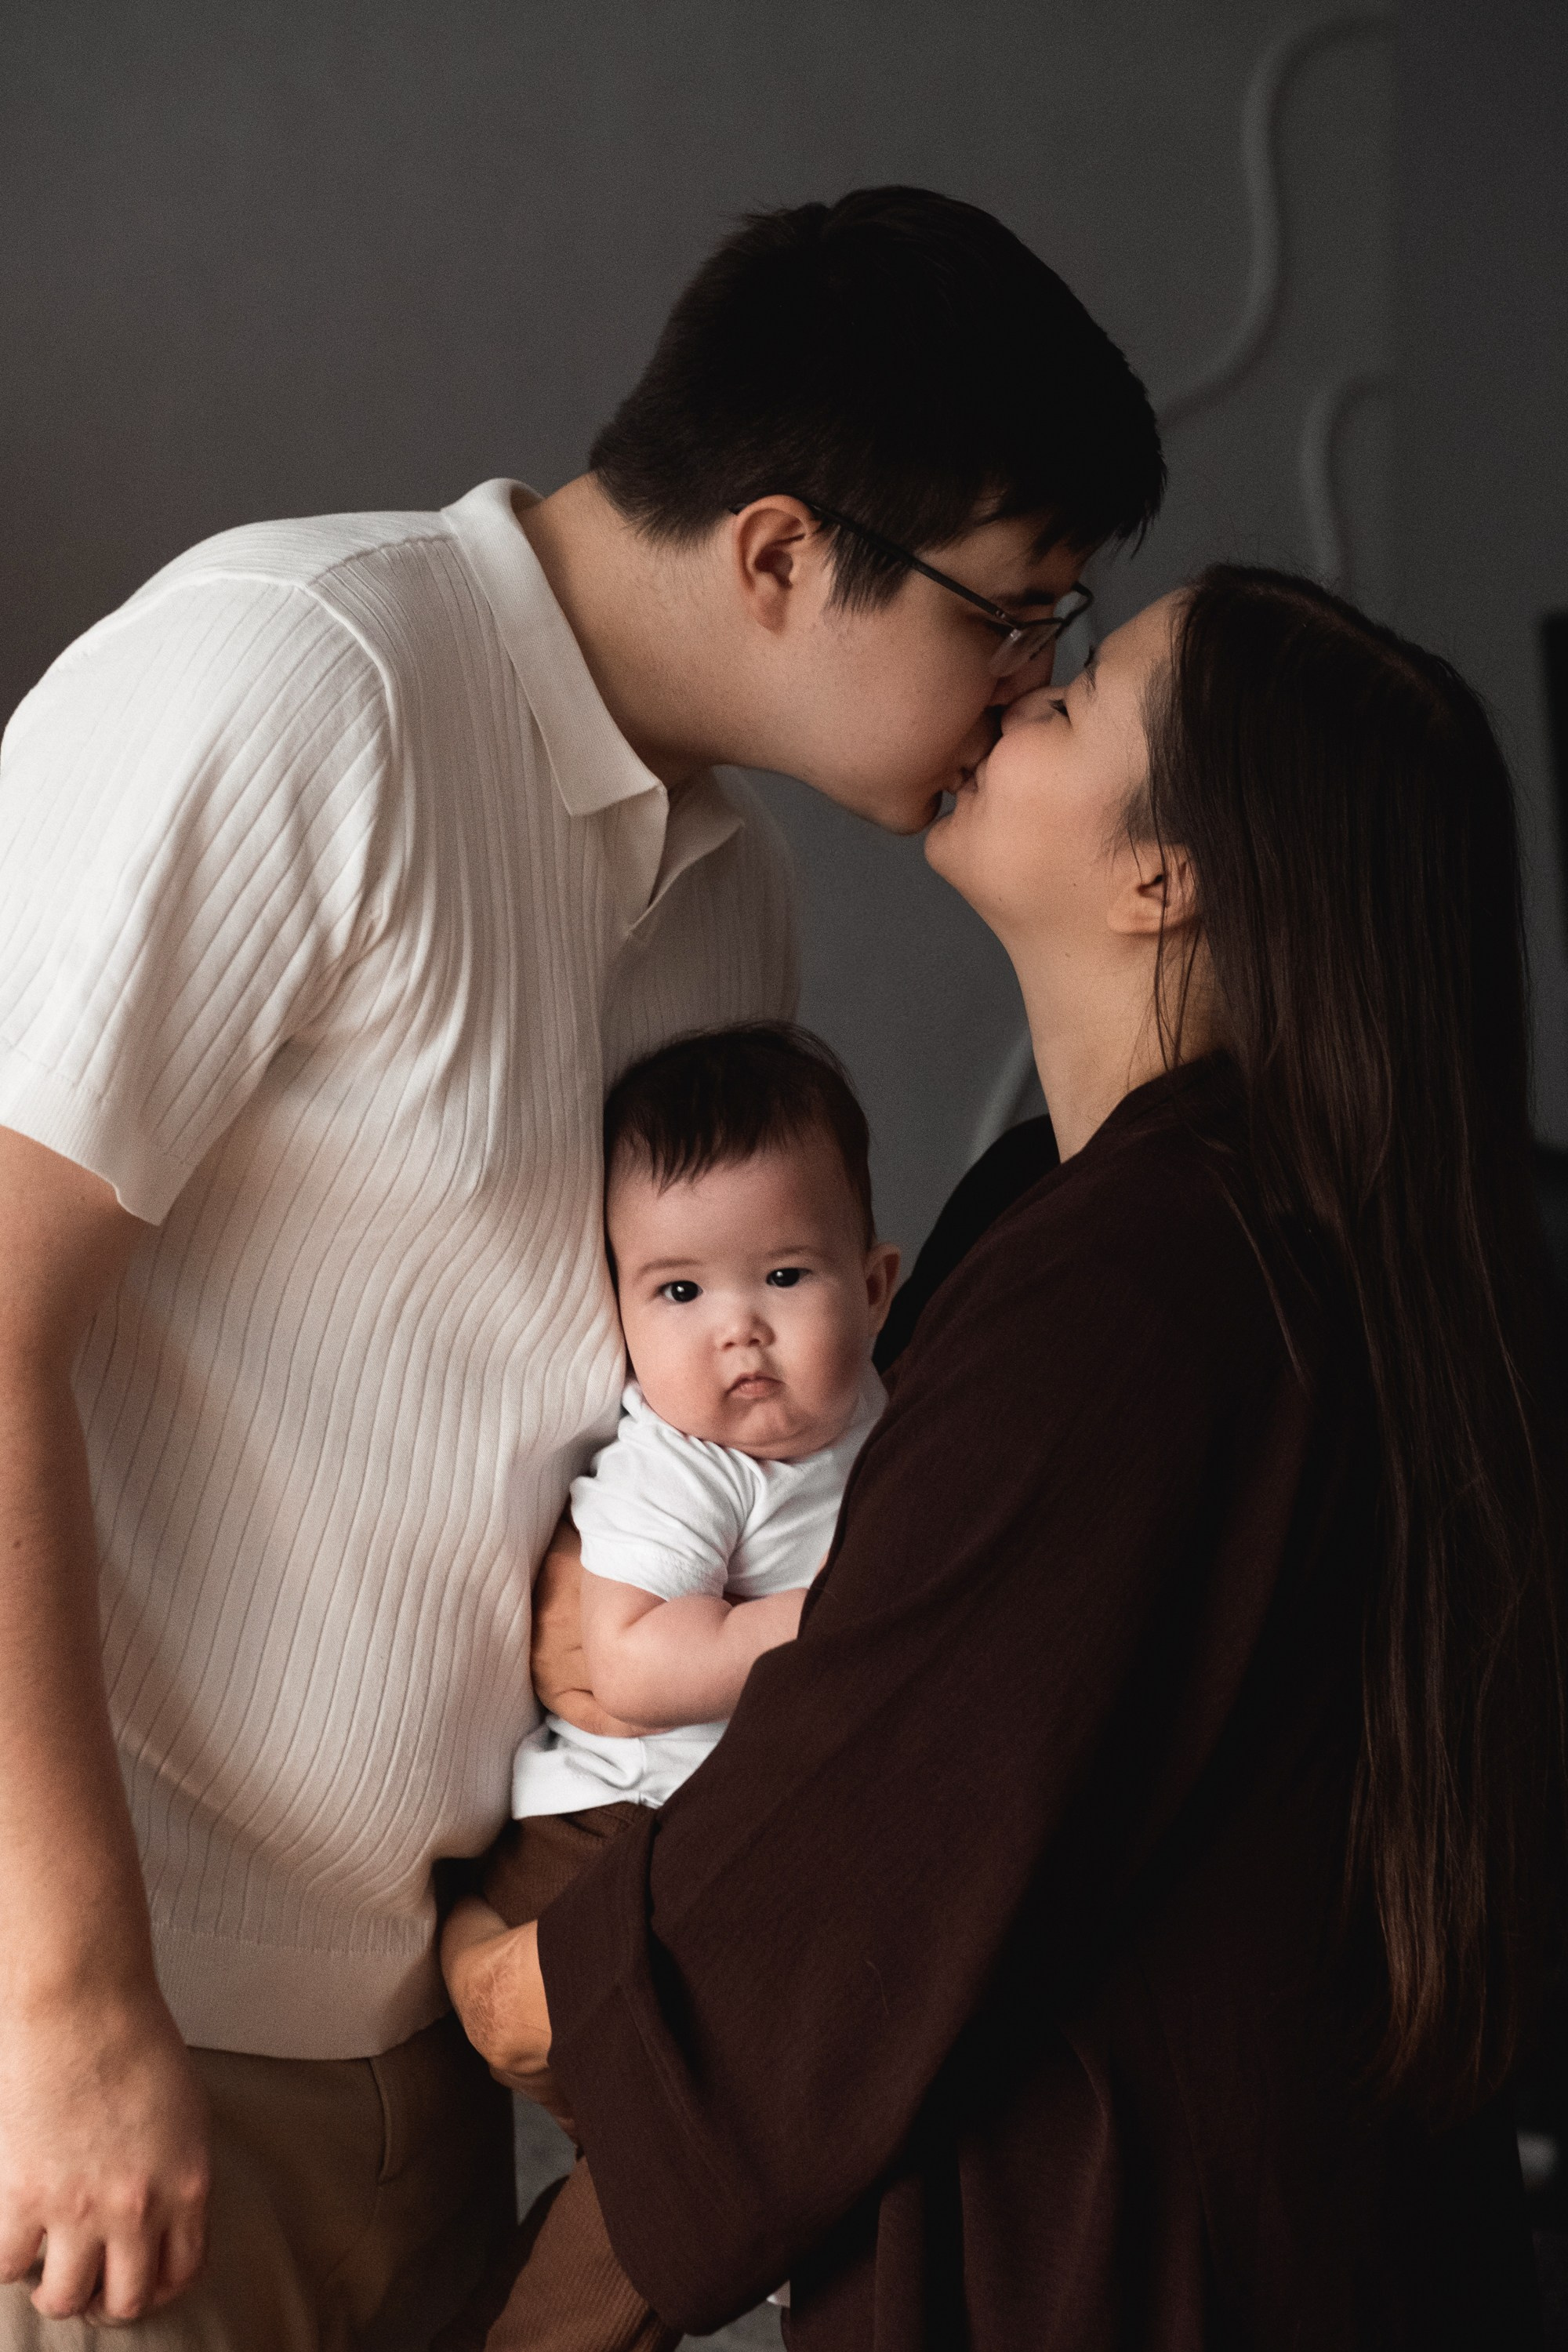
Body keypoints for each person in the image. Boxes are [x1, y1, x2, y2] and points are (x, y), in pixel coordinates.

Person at [0, 187, 1162, 2346]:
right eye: (1013, 612)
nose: (1029, 684)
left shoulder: (730, 898)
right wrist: (60, 2003)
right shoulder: (302, 676)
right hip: (115, 2038)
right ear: (783, 553)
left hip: (435, 2042)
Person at [449, 567, 1566, 2348]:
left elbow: (895, 1806)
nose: (1010, 687)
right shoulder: (1166, 1219)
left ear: (1161, 877)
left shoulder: (1147, 1284)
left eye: (1074, 696)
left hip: (1148, 2265)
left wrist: (531, 1989)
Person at [443, 1023, 895, 2351]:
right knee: (688, 2158)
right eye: (679, 1291)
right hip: (600, 1838)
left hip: (714, 1846)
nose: (738, 1328)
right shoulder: (683, 1467)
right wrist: (837, 1622)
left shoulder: (888, 1421)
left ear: (874, 1285)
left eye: (785, 1275)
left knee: (682, 2161)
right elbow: (633, 1666)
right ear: (622, 1312)